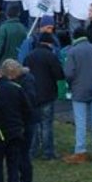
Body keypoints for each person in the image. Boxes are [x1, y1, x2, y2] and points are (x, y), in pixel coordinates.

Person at [60, 26, 92, 164]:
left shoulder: (73, 52)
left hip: (79, 91)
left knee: (81, 122)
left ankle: (80, 151)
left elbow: (68, 73)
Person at [23, 33, 65, 161]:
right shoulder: (51, 56)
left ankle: (32, 151)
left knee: (33, 124)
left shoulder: (29, 56)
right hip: (47, 95)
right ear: (49, 43)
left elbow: (23, 73)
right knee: (47, 124)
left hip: (32, 95)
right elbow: (59, 75)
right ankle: (48, 152)